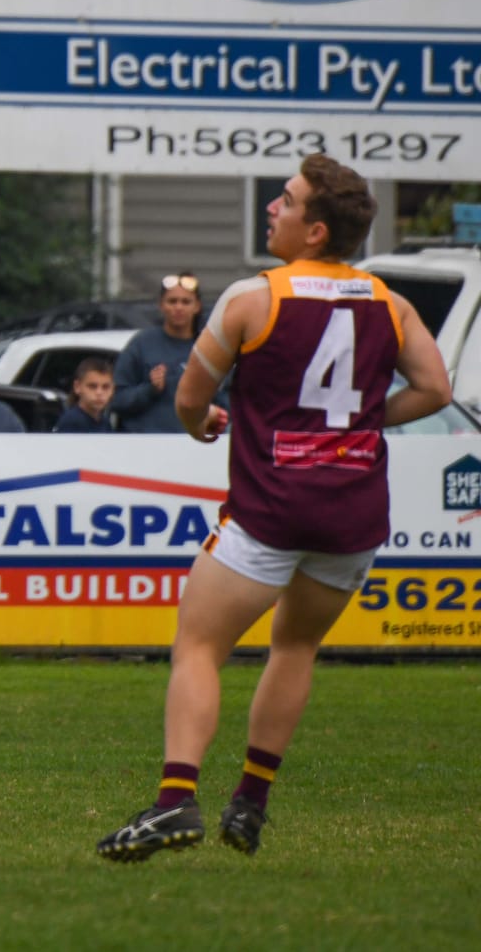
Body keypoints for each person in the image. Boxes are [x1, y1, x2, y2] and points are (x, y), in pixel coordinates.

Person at [96, 156, 449, 862]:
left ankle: (174, 803)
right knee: (295, 646)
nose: (271, 209)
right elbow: (435, 389)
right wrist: (360, 424)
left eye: (284, 202)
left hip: (270, 508)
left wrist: (201, 428)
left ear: (315, 230)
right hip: (351, 515)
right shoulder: (389, 301)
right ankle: (250, 803)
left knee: (199, 645)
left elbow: (191, 400)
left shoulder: (254, 298)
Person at [110, 273, 205, 433]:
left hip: (192, 446)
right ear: (161, 305)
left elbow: (224, 402)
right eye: (172, 301)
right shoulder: (141, 344)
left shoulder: (207, 349)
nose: (178, 307)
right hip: (146, 445)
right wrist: (150, 389)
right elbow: (117, 400)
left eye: (186, 302)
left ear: (197, 307)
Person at [53, 356, 116, 433]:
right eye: (92, 386)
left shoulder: (105, 422)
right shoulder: (71, 422)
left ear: (112, 390)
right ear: (77, 387)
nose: (99, 392)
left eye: (105, 387)